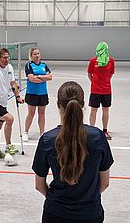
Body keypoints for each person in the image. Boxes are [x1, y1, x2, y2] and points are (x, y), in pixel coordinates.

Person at [32, 81, 114, 223]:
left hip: (55, 213)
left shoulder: (47, 140)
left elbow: (39, 185)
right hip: (90, 214)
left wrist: (56, 201)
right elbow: (105, 183)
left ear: (58, 104)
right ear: (82, 104)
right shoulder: (98, 137)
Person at [0, 48, 24, 159]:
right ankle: (8, 145)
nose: (6, 60)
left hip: (3, 101)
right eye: (4, 57)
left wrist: (17, 97)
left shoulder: (9, 67)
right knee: (10, 119)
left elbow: (13, 83)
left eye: (8, 57)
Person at [22, 47, 52, 142]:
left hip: (43, 93)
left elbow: (50, 76)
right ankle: (26, 132)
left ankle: (42, 133)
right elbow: (31, 79)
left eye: (38, 53)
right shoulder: (29, 65)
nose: (37, 55)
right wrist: (44, 78)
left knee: (42, 114)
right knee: (31, 113)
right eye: (35, 54)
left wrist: (38, 76)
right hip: (32, 93)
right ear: (31, 56)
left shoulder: (44, 65)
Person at [87, 42, 115, 140]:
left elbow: (111, 74)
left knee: (106, 110)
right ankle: (91, 130)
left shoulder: (111, 61)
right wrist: (94, 82)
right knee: (93, 110)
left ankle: (105, 130)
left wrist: (105, 82)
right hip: (95, 90)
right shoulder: (93, 61)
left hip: (107, 90)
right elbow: (89, 74)